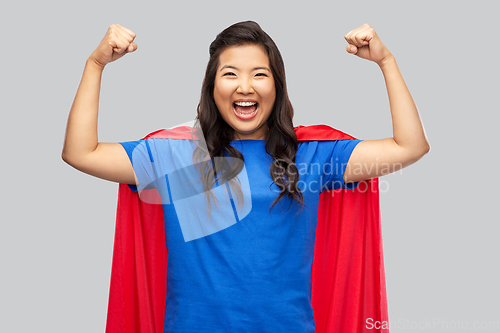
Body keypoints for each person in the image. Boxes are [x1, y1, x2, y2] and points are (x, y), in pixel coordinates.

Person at [62, 21, 429, 332]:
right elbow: (81, 153)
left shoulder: (313, 157)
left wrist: (386, 62)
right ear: (212, 87)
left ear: (276, 86)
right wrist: (95, 64)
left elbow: (409, 147)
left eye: (259, 74)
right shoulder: (175, 155)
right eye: (230, 74)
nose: (245, 86)